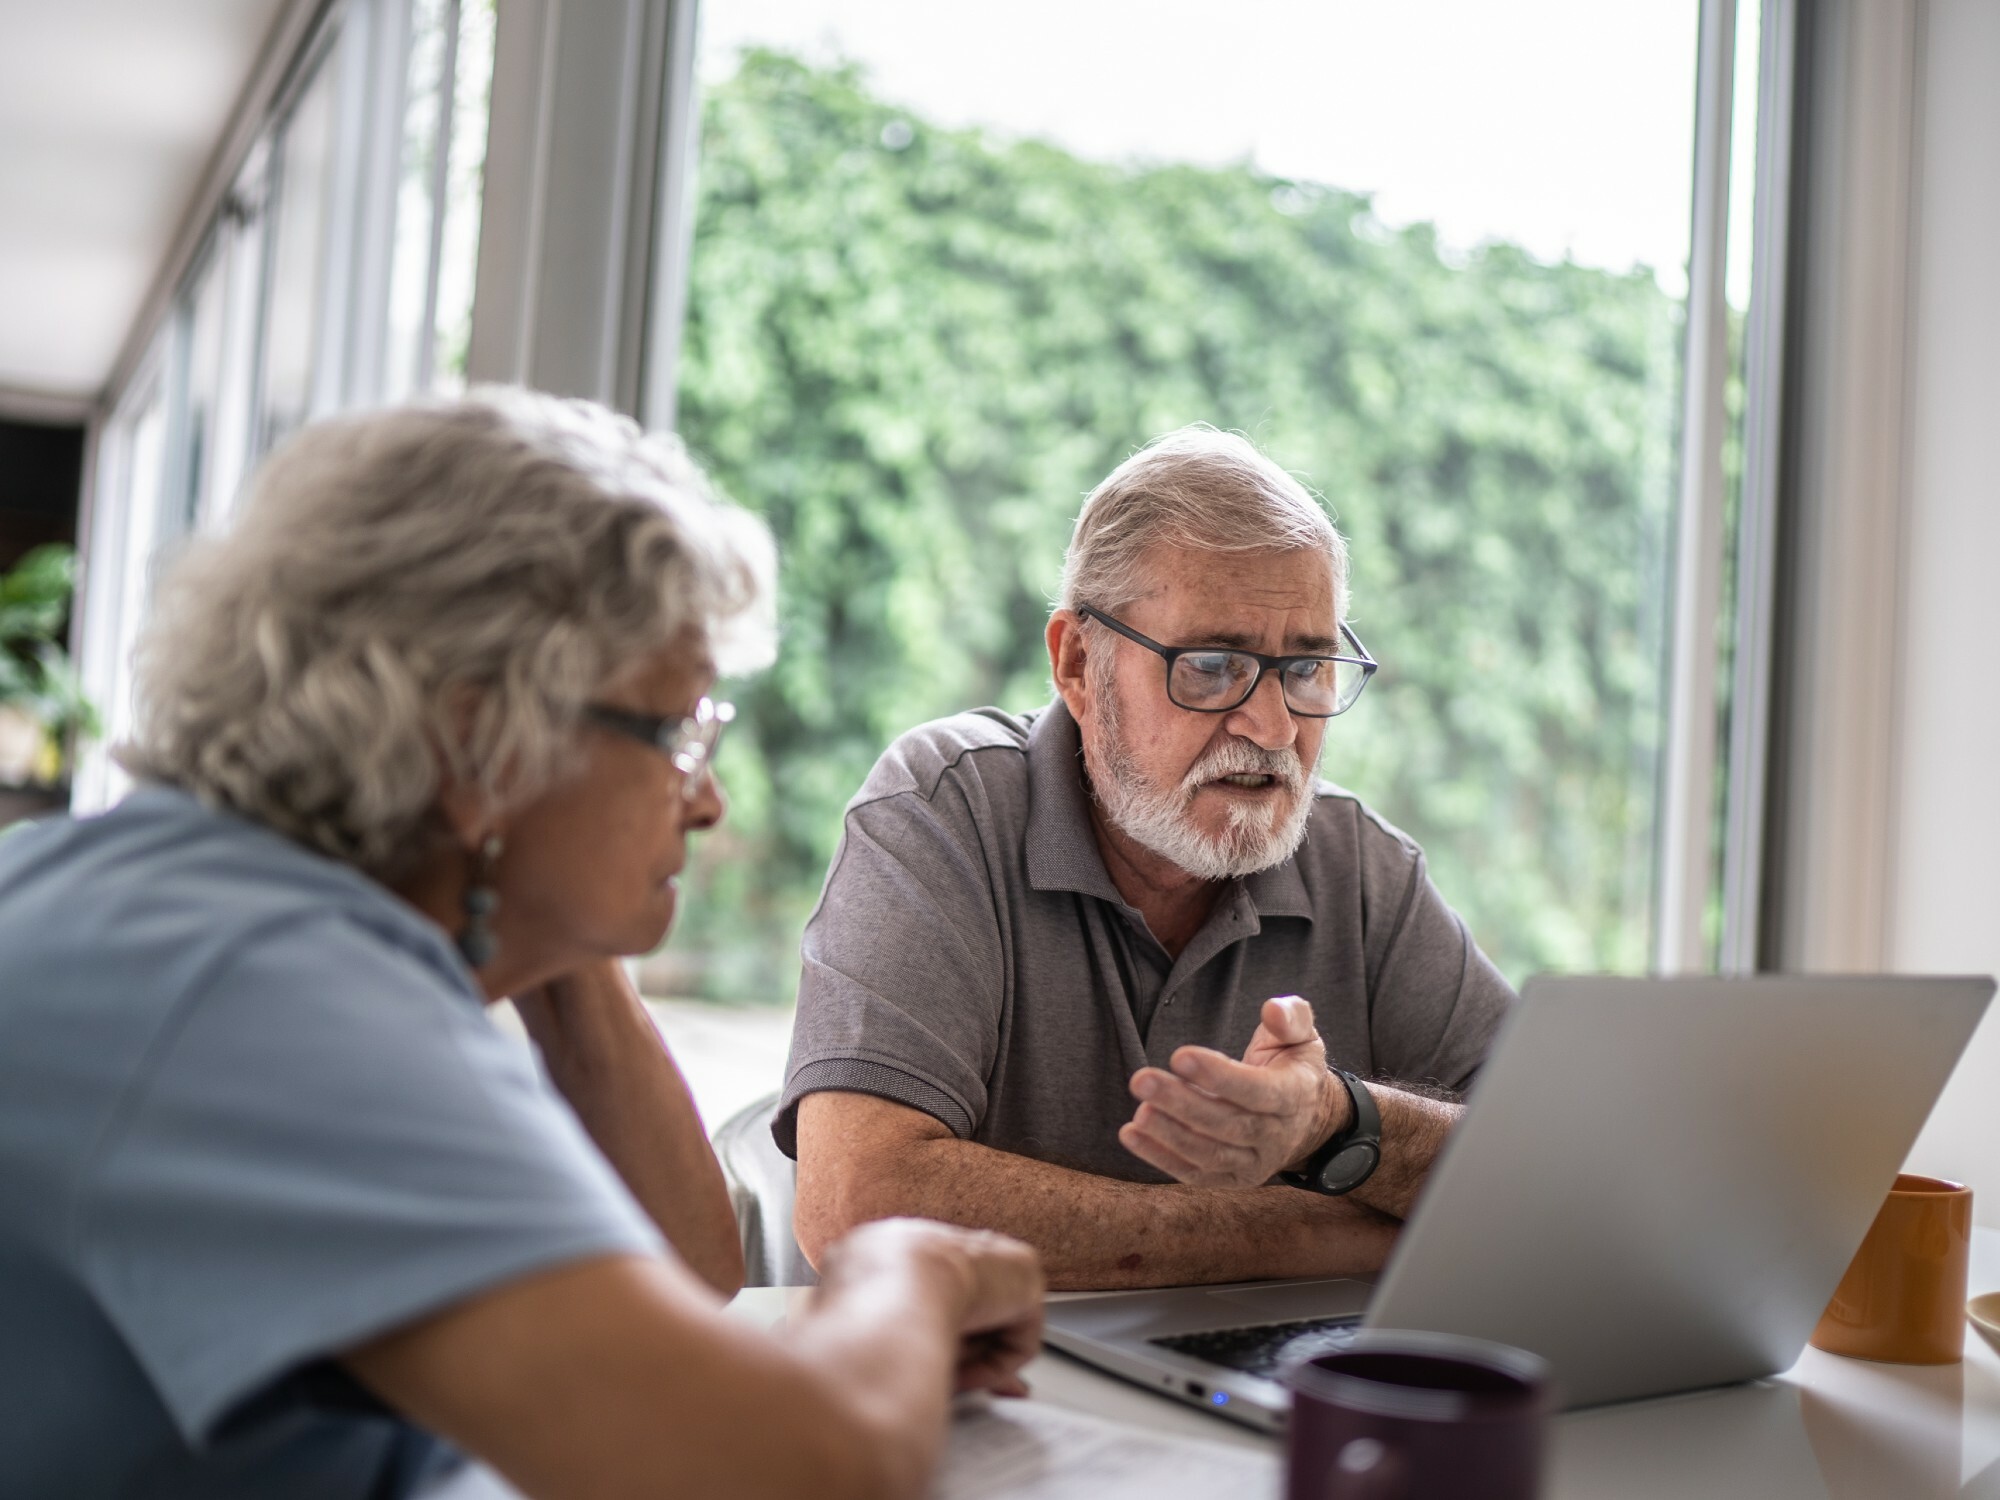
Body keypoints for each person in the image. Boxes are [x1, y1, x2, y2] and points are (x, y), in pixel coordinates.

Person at [0, 389, 1042, 1500]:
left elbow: (691, 1284)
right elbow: (791, 1468)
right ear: (473, 737)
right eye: (678, 731)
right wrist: (905, 1267)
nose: (706, 806)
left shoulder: (203, 903)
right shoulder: (258, 998)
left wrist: (550, 925)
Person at [784, 426, 1516, 1290]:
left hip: (1255, 1401)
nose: (1275, 729)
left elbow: (1566, 1170)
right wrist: (1345, 1234)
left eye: (1308, 667)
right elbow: (857, 1207)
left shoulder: (1359, 865)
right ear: (1077, 664)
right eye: (1212, 666)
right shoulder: (944, 809)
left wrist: (1341, 1120)